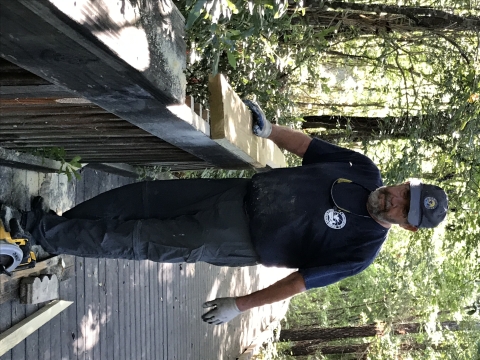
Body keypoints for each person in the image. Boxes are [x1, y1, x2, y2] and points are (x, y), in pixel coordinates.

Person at [0, 102, 448, 326]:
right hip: (233, 192)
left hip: (235, 238)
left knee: (137, 238)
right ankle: (53, 226)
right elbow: (310, 148)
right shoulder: (363, 169)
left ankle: (33, 235)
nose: (395, 202)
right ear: (405, 184)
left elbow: (298, 283)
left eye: (404, 211)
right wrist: (269, 130)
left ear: (407, 225)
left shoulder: (362, 249)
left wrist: (240, 304)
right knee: (140, 198)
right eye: (404, 194)